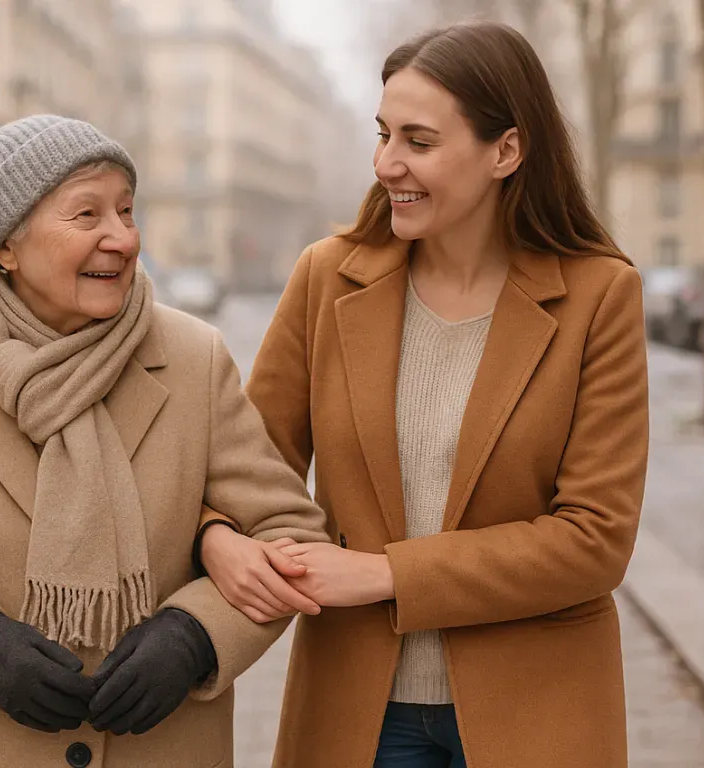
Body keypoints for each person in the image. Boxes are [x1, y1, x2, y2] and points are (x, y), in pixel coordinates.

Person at [0, 114, 329, 768]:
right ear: (5, 245)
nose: (123, 238)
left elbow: (291, 538)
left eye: (127, 211)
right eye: (87, 214)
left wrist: (197, 636)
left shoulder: (194, 359)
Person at [196, 22, 650, 768]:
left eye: (418, 141)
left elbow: (595, 539)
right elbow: (240, 467)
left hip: (537, 710)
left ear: (506, 150)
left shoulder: (600, 295)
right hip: (357, 712)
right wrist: (217, 538)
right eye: (382, 135)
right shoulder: (327, 278)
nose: (385, 164)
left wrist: (385, 573)